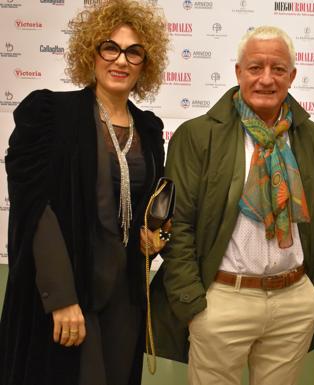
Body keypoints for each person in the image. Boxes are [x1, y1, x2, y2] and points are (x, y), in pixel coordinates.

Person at [150, 25, 314, 385]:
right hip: (222, 301)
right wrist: (193, 306)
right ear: (238, 72)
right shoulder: (198, 135)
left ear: (292, 75)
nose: (266, 79)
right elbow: (179, 225)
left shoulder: (312, 138)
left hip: (295, 300)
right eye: (255, 68)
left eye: (278, 69)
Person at [0, 1, 170, 384]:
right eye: (109, 48)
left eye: (134, 52)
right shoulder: (50, 114)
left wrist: (158, 237)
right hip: (66, 294)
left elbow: (152, 210)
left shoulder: (149, 129)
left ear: (146, 63)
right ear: (90, 53)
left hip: (124, 301)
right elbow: (34, 208)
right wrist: (61, 299)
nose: (120, 60)